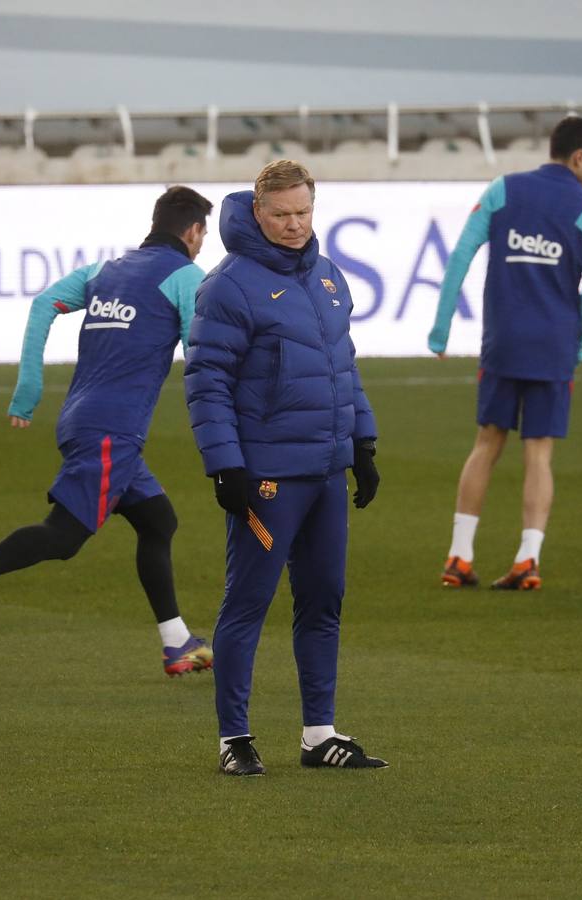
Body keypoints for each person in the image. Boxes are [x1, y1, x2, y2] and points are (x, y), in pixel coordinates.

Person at [0, 186, 217, 677]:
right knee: (63, 537)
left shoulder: (105, 271)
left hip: (83, 417)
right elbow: (200, 348)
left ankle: (177, 642)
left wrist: (29, 389)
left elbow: (44, 305)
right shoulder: (187, 276)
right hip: (112, 430)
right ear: (192, 232)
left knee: (157, 521)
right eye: (203, 235)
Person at [185, 159, 385, 776]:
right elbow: (206, 379)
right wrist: (225, 465)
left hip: (326, 470)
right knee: (248, 601)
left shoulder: (327, 278)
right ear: (257, 211)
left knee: (324, 599)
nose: (294, 225)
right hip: (267, 476)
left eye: (303, 212)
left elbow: (341, 365)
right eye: (281, 214)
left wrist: (365, 441)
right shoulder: (227, 286)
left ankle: (318, 734)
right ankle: (234, 739)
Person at [427, 117, 582, 591]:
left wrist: (441, 329)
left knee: (486, 444)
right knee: (539, 453)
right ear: (578, 158)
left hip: (502, 342)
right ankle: (528, 558)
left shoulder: (502, 188)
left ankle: (458, 556)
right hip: (553, 347)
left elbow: (461, 255)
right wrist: (579, 341)